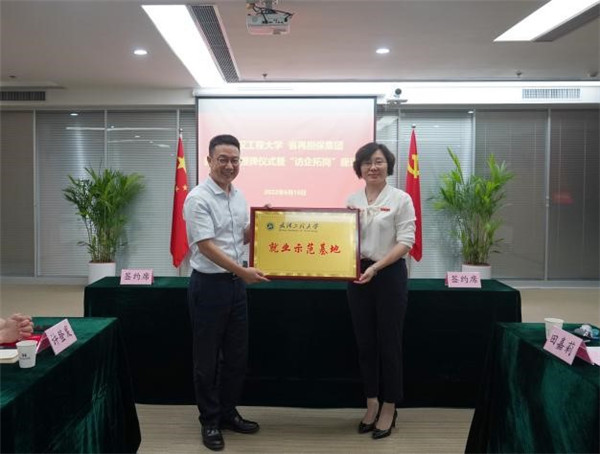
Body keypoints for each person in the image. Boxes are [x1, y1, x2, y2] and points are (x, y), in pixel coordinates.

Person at [183, 134, 270, 452]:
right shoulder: (198, 198)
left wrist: (264, 223)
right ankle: (209, 421)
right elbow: (206, 246)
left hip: (235, 287)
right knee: (207, 359)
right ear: (209, 160)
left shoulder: (239, 195)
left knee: (236, 356)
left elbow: (239, 237)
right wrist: (243, 272)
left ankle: (228, 412)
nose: (229, 165)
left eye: (234, 160)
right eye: (223, 159)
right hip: (209, 286)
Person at [346, 142, 416, 440]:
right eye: (366, 163)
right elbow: (343, 239)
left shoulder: (401, 199)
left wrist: (376, 267)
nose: (372, 167)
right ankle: (371, 402)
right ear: (359, 168)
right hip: (357, 275)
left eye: (378, 162)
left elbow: (406, 242)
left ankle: (390, 405)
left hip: (388, 274)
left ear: (388, 165)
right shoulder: (352, 199)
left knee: (389, 341)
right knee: (365, 343)